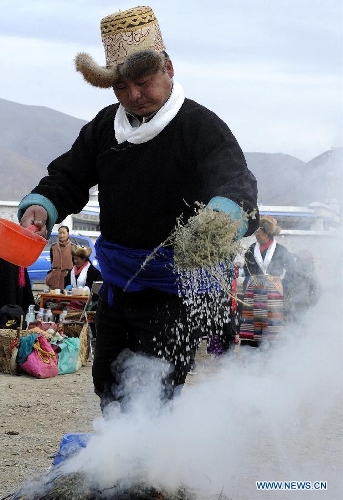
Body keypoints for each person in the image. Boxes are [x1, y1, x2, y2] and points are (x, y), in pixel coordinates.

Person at [17, 6, 259, 411]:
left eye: (144, 83)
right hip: (118, 285)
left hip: (175, 289)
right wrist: (42, 207)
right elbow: (68, 178)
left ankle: (152, 469)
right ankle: (116, 461)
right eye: (121, 88)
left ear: (169, 68)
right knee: (108, 378)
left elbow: (238, 184)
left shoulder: (200, 126)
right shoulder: (105, 127)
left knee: (157, 386)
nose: (134, 96)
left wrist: (220, 217)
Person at [239, 215, 296, 347]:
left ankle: (273, 351)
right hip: (253, 292)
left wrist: (284, 284)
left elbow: (292, 268)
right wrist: (248, 280)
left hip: (273, 292)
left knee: (272, 322)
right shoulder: (251, 249)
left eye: (258, 232)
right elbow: (247, 269)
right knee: (253, 321)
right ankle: (251, 348)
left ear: (266, 233)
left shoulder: (281, 250)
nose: (255, 235)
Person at [45, 225, 75, 290]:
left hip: (67, 278)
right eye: (60, 233)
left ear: (68, 234)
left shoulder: (73, 247)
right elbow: (52, 261)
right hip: (55, 278)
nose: (61, 235)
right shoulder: (53, 247)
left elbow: (75, 264)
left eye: (64, 233)